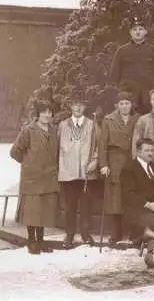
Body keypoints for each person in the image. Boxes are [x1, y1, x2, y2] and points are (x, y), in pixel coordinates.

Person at [10, 100, 59, 255]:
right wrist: (29, 164)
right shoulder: (28, 131)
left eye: (49, 112)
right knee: (32, 211)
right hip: (32, 178)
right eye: (43, 112)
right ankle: (32, 242)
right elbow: (15, 152)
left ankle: (41, 241)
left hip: (48, 177)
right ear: (37, 114)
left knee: (44, 210)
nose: (47, 115)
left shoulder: (53, 130)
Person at [58, 88, 99, 249]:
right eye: (75, 105)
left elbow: (98, 145)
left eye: (81, 105)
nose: (78, 108)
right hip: (68, 172)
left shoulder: (92, 124)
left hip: (86, 173)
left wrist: (95, 161)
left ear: (85, 107)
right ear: (70, 107)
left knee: (86, 204)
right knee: (70, 206)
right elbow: (56, 148)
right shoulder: (62, 125)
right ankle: (69, 234)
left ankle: (85, 232)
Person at [98, 91, 140, 246]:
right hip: (114, 161)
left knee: (130, 195)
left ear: (131, 105)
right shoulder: (108, 119)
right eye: (121, 103)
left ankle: (130, 231)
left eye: (127, 103)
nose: (124, 106)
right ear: (117, 105)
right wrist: (103, 164)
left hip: (131, 160)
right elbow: (102, 144)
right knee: (114, 197)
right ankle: (115, 232)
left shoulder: (138, 119)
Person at [108, 16, 154, 114]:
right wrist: (121, 91)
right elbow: (114, 73)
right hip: (128, 93)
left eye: (141, 29)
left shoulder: (153, 50)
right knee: (129, 121)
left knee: (147, 121)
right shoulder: (122, 50)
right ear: (130, 32)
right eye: (135, 29)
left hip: (148, 93)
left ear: (145, 32)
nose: (138, 32)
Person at [120, 138, 154, 241]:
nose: (150, 153)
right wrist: (148, 204)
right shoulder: (129, 168)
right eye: (147, 151)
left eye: (152, 150)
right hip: (137, 209)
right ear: (138, 152)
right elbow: (128, 195)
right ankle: (139, 239)